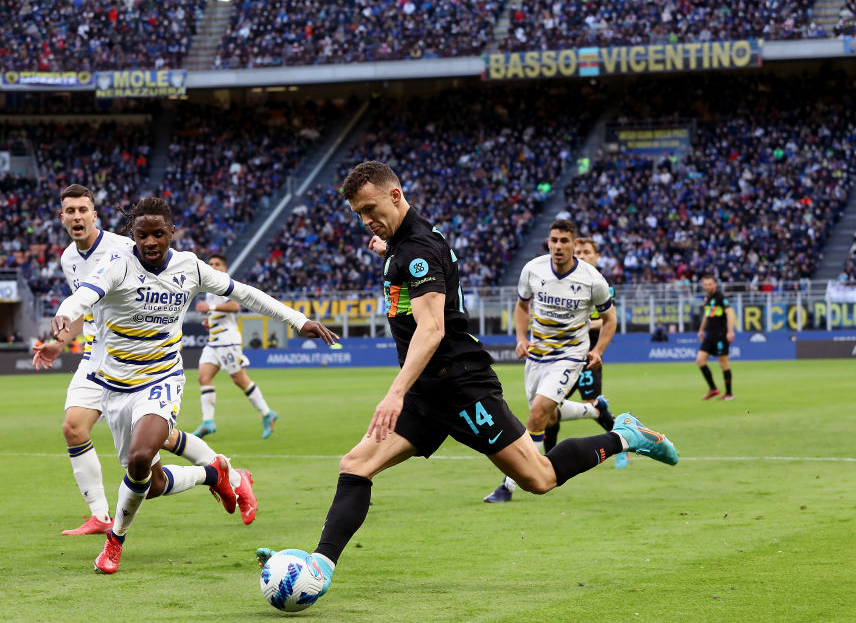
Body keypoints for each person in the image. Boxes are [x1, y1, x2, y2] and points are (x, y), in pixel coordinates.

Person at [255, 162, 678, 605]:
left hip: (461, 386)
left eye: (371, 209)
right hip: (427, 392)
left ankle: (626, 435)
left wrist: (394, 393)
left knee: (539, 477)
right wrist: (386, 244)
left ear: (395, 195)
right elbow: (409, 261)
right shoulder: (406, 243)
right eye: (360, 214)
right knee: (355, 465)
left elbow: (432, 328)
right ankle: (317, 569)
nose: (366, 221)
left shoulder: (416, 250)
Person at [51, 196, 338, 574]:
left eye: (158, 234)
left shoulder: (190, 267)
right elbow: (84, 295)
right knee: (148, 483)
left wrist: (298, 320)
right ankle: (212, 473)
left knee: (139, 456)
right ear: (131, 235)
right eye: (142, 235)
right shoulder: (117, 265)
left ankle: (114, 541)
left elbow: (245, 293)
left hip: (161, 378)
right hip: (114, 383)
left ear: (172, 233)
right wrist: (63, 314)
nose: (151, 242)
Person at [34, 184, 252, 537]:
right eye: (70, 211)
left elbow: (168, 278)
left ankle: (229, 474)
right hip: (96, 359)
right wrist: (59, 342)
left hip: (140, 362)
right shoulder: (68, 260)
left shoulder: (126, 246)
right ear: (62, 218)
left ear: (95, 214)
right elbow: (83, 306)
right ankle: (101, 515)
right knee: (74, 427)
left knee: (155, 447)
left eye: (82, 210)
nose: (77, 216)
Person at [484, 235, 624, 503]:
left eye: (586, 251)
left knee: (541, 411)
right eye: (579, 250)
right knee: (549, 413)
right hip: (548, 357)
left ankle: (514, 483)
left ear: (596, 255)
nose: (581, 254)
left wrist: (584, 331)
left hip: (581, 356)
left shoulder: (595, 282)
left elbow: (605, 319)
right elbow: (526, 305)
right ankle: (593, 416)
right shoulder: (551, 277)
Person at [192, 253, 279, 440]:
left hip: (227, 341)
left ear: (224, 268)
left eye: (217, 264)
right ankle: (208, 421)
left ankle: (267, 413)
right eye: (211, 263)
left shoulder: (224, 283)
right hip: (214, 341)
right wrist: (210, 320)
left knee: (240, 379)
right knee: (203, 377)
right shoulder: (210, 288)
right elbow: (220, 312)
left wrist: (211, 309)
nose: (213, 266)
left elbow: (234, 307)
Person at [697, 273, 736, 401]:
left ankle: (729, 394)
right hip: (709, 335)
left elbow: (730, 313)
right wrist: (701, 330)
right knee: (700, 360)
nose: (707, 286)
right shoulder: (707, 299)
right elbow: (707, 316)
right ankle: (713, 388)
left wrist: (730, 331)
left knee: (723, 363)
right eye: (705, 284)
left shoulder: (721, 297)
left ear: (715, 284)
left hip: (720, 335)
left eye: (710, 284)